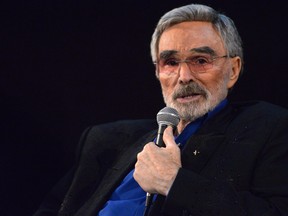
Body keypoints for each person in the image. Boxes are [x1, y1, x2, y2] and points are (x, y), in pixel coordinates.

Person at [34, 3, 288, 216]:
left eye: (200, 60)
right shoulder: (106, 140)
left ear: (233, 70)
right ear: (157, 71)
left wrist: (174, 183)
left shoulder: (267, 128)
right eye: (171, 62)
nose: (184, 76)